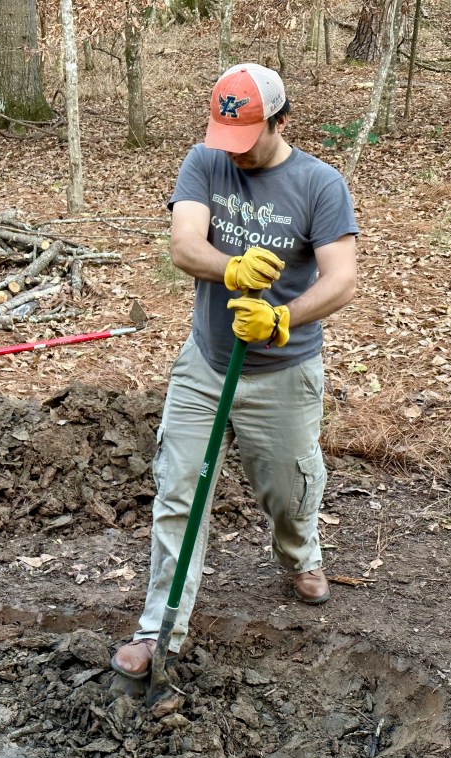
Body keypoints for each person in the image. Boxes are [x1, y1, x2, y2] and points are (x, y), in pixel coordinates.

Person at [111, 63, 359, 679]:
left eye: (248, 139)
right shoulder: (205, 161)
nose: (235, 155)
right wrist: (232, 269)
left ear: (280, 120)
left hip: (284, 371)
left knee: (288, 490)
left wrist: (282, 319)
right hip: (207, 363)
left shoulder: (320, 184)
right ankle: (160, 629)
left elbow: (342, 280)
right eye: (227, 140)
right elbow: (184, 245)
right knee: (178, 488)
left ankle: (299, 555)